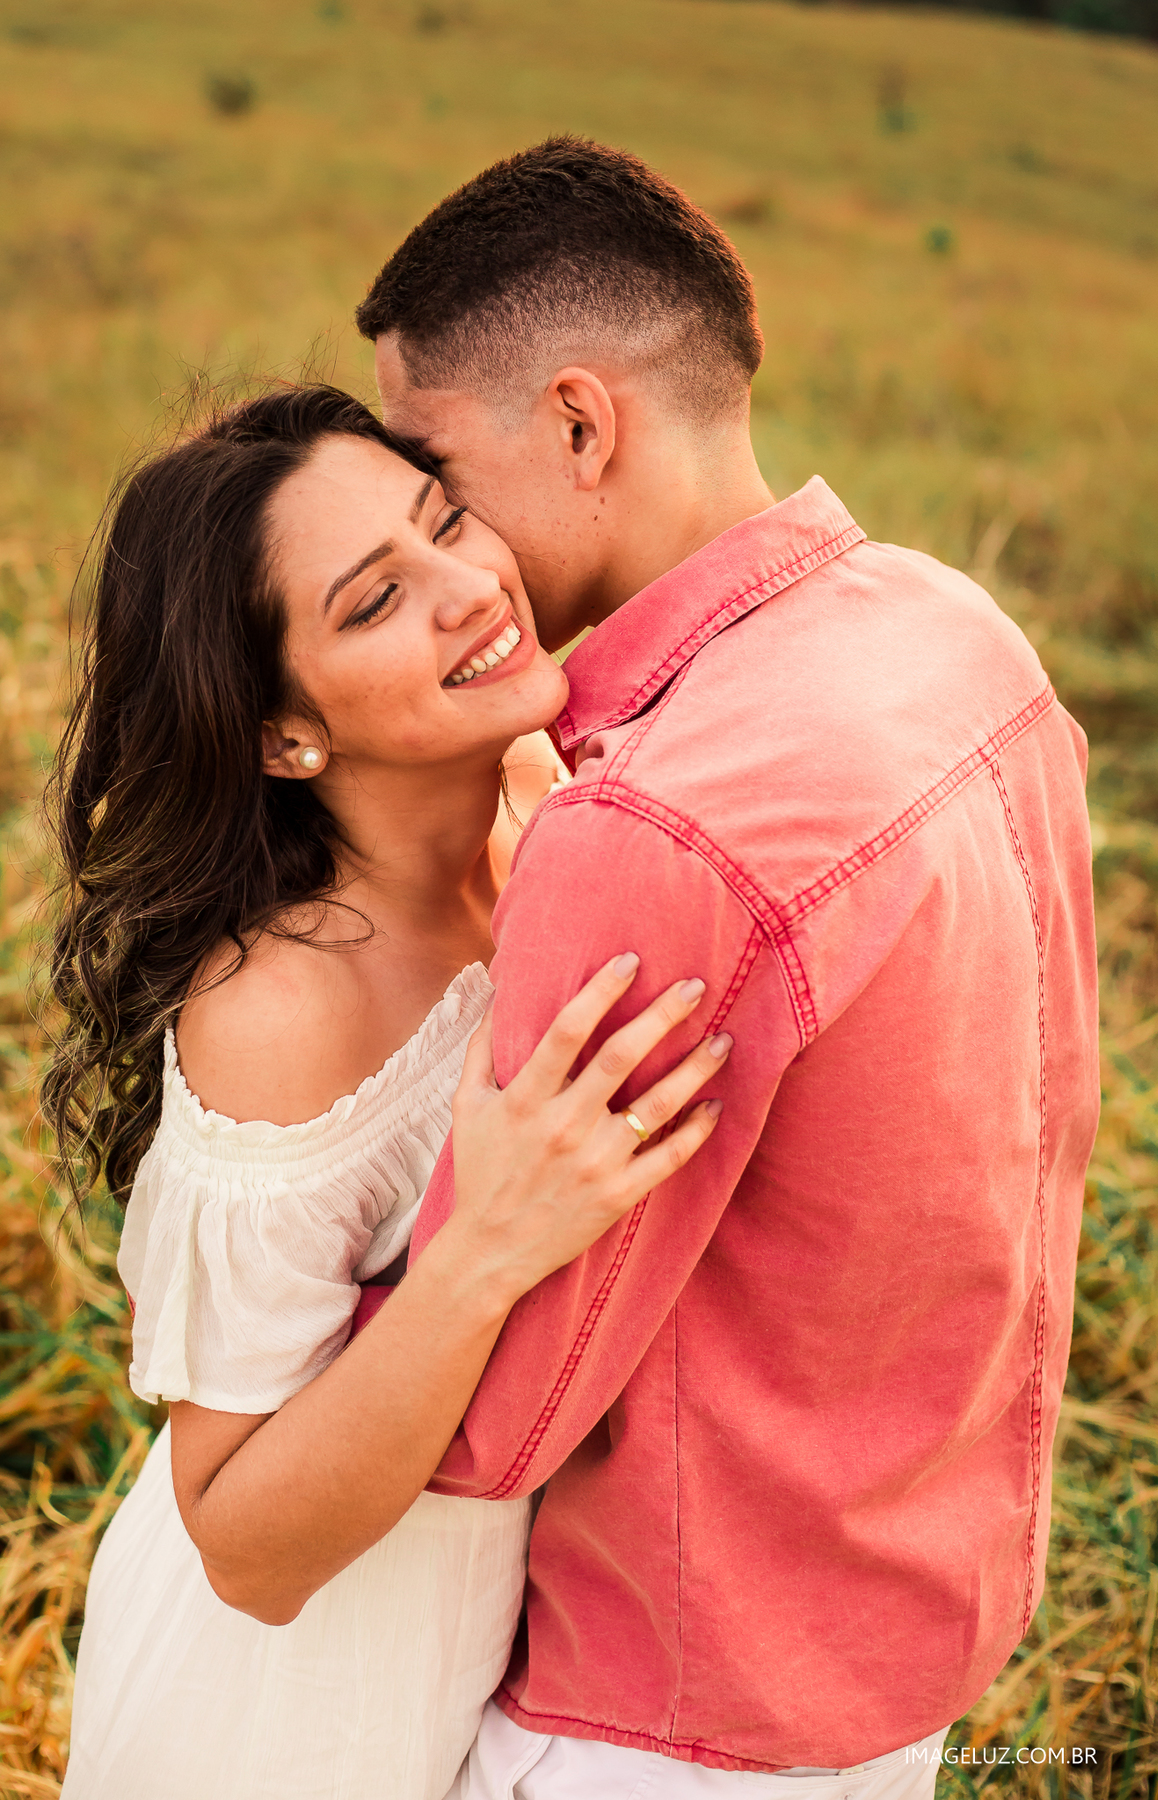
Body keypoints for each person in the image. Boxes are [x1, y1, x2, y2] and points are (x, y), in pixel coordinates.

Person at [351, 137, 1102, 1796]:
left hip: (662, 1704)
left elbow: (483, 1429)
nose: (439, 548)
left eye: (433, 472)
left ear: (577, 422)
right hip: (913, 1619)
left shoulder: (655, 828)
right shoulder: (959, 630)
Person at [48, 384, 729, 1800]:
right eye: (372, 602)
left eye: (445, 522)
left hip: (494, 1655)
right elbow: (241, 1546)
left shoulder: (554, 822)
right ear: (283, 736)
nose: (470, 588)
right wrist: (483, 1251)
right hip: (274, 1723)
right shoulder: (282, 1007)